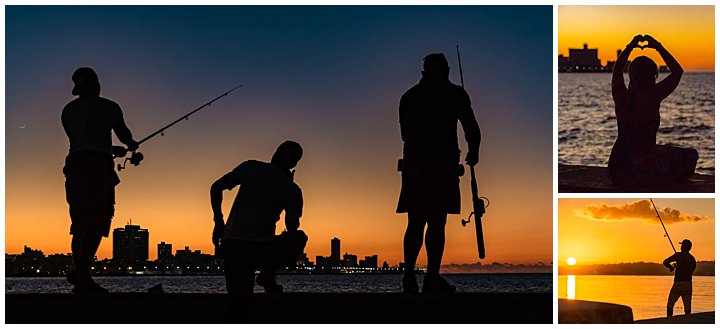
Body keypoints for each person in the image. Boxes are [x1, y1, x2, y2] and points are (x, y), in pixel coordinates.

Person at [397, 53, 481, 293]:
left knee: (416, 222)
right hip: (441, 165)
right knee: (436, 222)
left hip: (415, 166)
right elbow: (471, 128)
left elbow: (405, 134)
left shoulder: (410, 96)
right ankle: (430, 277)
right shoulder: (455, 94)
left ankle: (410, 277)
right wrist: (473, 151)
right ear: (446, 70)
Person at [62, 67, 139, 293]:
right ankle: (82, 274)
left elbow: (85, 139)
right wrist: (131, 144)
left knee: (79, 224)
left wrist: (109, 148)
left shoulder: (68, 110)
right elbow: (124, 135)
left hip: (75, 166)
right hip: (98, 168)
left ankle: (80, 275)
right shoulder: (109, 106)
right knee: (98, 220)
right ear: (96, 84)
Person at [211, 141, 308, 294]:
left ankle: (264, 279)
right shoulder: (292, 189)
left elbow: (216, 187)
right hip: (263, 248)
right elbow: (292, 226)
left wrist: (219, 222)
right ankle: (267, 275)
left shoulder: (251, 167)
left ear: (275, 153)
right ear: (294, 163)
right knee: (299, 237)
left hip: (234, 245)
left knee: (239, 297)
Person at [608, 34, 698, 186]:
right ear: (654, 75)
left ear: (631, 75)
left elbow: (617, 70)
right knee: (691, 155)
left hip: (617, 168)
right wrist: (657, 46)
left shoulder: (620, 95)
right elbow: (677, 71)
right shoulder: (654, 95)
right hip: (641, 167)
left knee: (662, 152)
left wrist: (631, 46)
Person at [663, 239, 697, 317]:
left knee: (670, 305)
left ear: (683, 247)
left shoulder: (679, 255)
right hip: (688, 284)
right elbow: (689, 270)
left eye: (682, 245)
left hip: (678, 283)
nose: (681, 247)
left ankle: (669, 321)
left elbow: (665, 262)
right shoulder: (693, 259)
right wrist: (678, 265)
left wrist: (670, 267)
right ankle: (687, 321)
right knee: (687, 308)